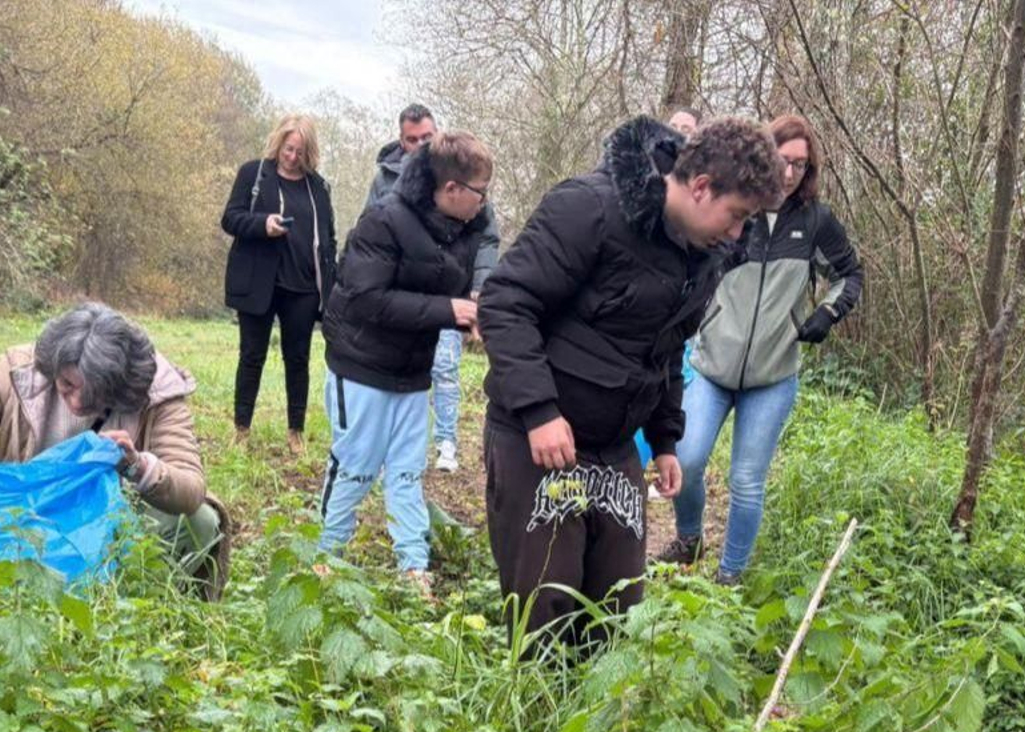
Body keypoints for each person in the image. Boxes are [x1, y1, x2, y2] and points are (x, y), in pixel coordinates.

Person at [479, 115, 782, 651]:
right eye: (736, 216)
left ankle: (602, 727)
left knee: (617, 607)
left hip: (614, 444)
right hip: (538, 437)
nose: (738, 235)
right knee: (545, 606)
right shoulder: (589, 208)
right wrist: (539, 412)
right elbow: (506, 302)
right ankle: (537, 722)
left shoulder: (701, 255)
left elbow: (664, 347)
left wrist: (665, 439)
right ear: (702, 186)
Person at [0, 302, 231, 598]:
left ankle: (134, 601)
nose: (79, 402)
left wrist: (137, 465)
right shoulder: (20, 370)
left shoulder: (158, 390)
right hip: (32, 515)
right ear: (52, 367)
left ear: (124, 384)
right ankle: (22, 587)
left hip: (112, 525)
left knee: (200, 520)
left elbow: (189, 488)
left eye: (97, 395)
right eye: (67, 385)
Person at [657, 114, 864, 584]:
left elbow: (850, 274)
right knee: (686, 461)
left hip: (772, 375)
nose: (789, 174)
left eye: (800, 165)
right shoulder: (737, 211)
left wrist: (827, 314)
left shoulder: (816, 223)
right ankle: (689, 539)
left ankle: (730, 577)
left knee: (746, 481)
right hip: (711, 365)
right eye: (782, 161)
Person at [318, 131, 492, 594]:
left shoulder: (465, 229)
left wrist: (471, 306)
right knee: (354, 467)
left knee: (407, 471)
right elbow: (365, 299)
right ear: (451, 189)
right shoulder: (384, 221)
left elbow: (451, 284)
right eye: (480, 191)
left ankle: (413, 567)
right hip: (360, 367)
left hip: (413, 374)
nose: (485, 201)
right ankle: (324, 558)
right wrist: (449, 311)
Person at [352, 104, 501, 473]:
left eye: (426, 138)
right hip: (402, 305)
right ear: (401, 141)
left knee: (446, 369)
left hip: (450, 297)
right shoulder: (385, 182)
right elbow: (370, 250)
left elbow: (484, 239)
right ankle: (387, 451)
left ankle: (446, 441)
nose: (419, 145)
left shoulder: (464, 181)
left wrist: (477, 289)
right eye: (411, 139)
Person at [221, 114, 337, 454]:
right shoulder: (254, 173)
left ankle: (295, 432)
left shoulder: (318, 188)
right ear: (279, 143)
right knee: (251, 356)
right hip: (259, 282)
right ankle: (241, 429)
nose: (291, 157)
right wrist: (263, 224)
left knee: (297, 359)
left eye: (299, 152)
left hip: (302, 286)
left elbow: (328, 239)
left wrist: (329, 285)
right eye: (288, 149)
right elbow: (230, 218)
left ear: (309, 152)